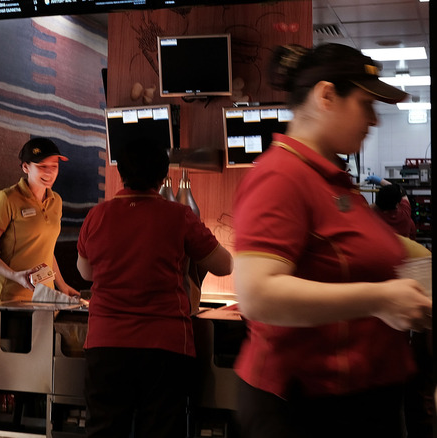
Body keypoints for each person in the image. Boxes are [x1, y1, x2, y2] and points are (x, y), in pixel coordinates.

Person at [232, 43, 432, 438]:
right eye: (365, 104)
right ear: (326, 96)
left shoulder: (332, 180)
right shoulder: (280, 175)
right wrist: (382, 299)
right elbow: (257, 294)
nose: (373, 120)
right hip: (307, 408)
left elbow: (362, 250)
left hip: (362, 400)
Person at [76, 137, 233, 438]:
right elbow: (224, 265)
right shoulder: (180, 216)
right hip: (164, 348)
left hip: (106, 344)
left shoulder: (97, 216)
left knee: (104, 431)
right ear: (162, 177)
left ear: (121, 173)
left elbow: (85, 272)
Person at [0, 138, 79, 302]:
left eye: (54, 166)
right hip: (11, 298)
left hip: (46, 297)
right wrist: (15, 276)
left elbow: (46, 250)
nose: (49, 172)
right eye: (42, 166)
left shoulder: (56, 201)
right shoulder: (7, 198)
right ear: (25, 167)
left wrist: (62, 286)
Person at [366, 176, 417, 240]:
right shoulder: (405, 212)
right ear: (397, 204)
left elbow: (366, 210)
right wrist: (380, 181)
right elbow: (402, 191)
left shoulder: (375, 217)